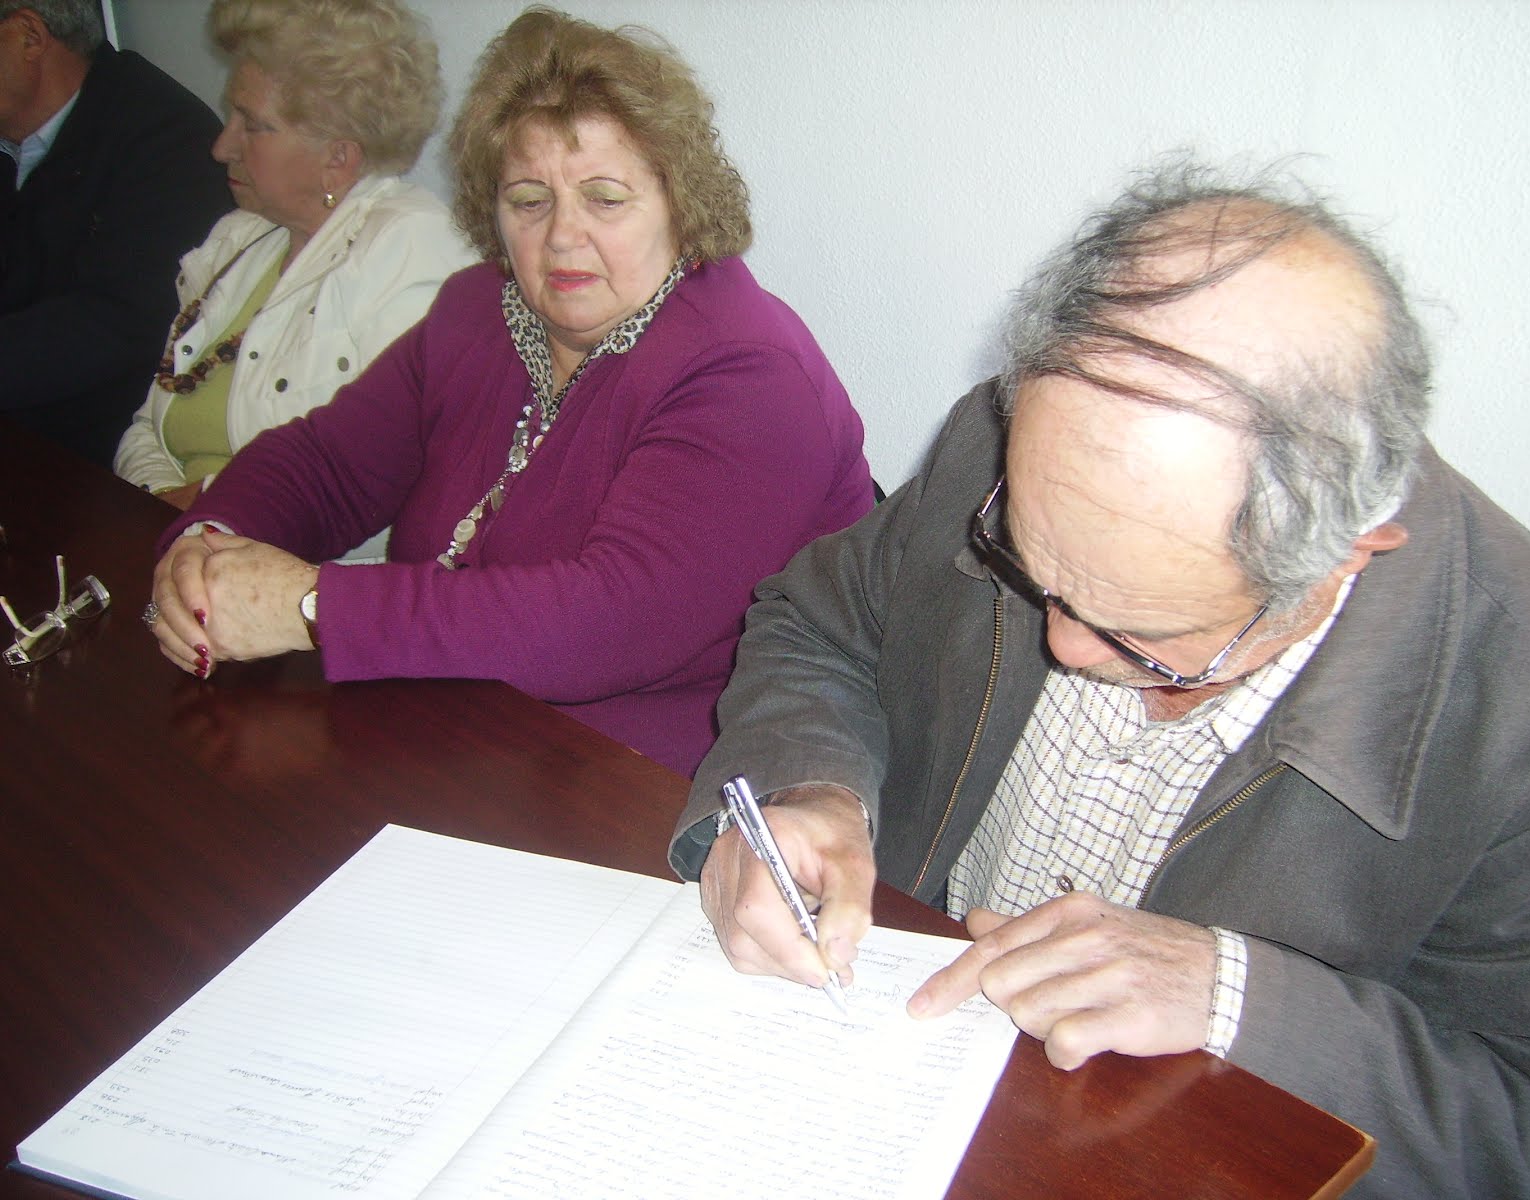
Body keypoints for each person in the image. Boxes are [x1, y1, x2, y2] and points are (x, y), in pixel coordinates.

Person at [670, 164, 1530, 1196]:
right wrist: (813, 789)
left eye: (1144, 635)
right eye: (1031, 570)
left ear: (1349, 556)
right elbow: (817, 625)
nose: (1065, 647)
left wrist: (1238, 999)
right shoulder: (1006, 446)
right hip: (872, 1065)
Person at [142, 6, 874, 778]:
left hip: (652, 788)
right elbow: (328, 465)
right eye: (529, 200)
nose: (562, 236)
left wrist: (313, 607)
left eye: (605, 198)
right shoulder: (476, 313)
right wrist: (203, 548)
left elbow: (606, 624)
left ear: (680, 205)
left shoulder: (752, 376)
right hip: (455, 738)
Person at [114, 0, 474, 526]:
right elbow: (149, 422)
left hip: (282, 558)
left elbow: (399, 483)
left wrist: (206, 509)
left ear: (338, 158)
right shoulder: (242, 236)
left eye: (253, 125)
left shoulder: (411, 252)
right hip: (172, 536)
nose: (221, 146)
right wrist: (158, 500)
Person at [0, 0, 231, 466]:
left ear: (29, 36)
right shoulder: (16, 128)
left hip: (98, 456)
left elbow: (118, 325)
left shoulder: (168, 140)